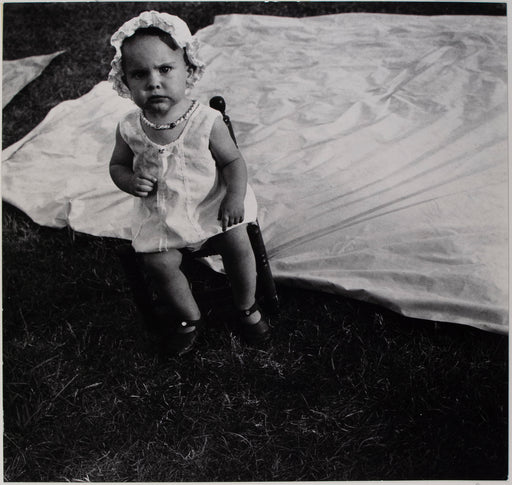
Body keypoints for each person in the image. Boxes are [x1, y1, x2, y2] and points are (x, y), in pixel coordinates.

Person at [108, 11, 270, 356]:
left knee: (238, 243)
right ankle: (189, 316)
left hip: (213, 203)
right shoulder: (129, 127)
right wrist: (128, 180)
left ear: (189, 71)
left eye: (165, 69)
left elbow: (233, 161)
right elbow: (117, 165)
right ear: (126, 82)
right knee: (158, 262)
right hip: (163, 211)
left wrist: (235, 196)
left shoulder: (206, 121)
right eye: (140, 74)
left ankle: (246, 305)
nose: (153, 82)